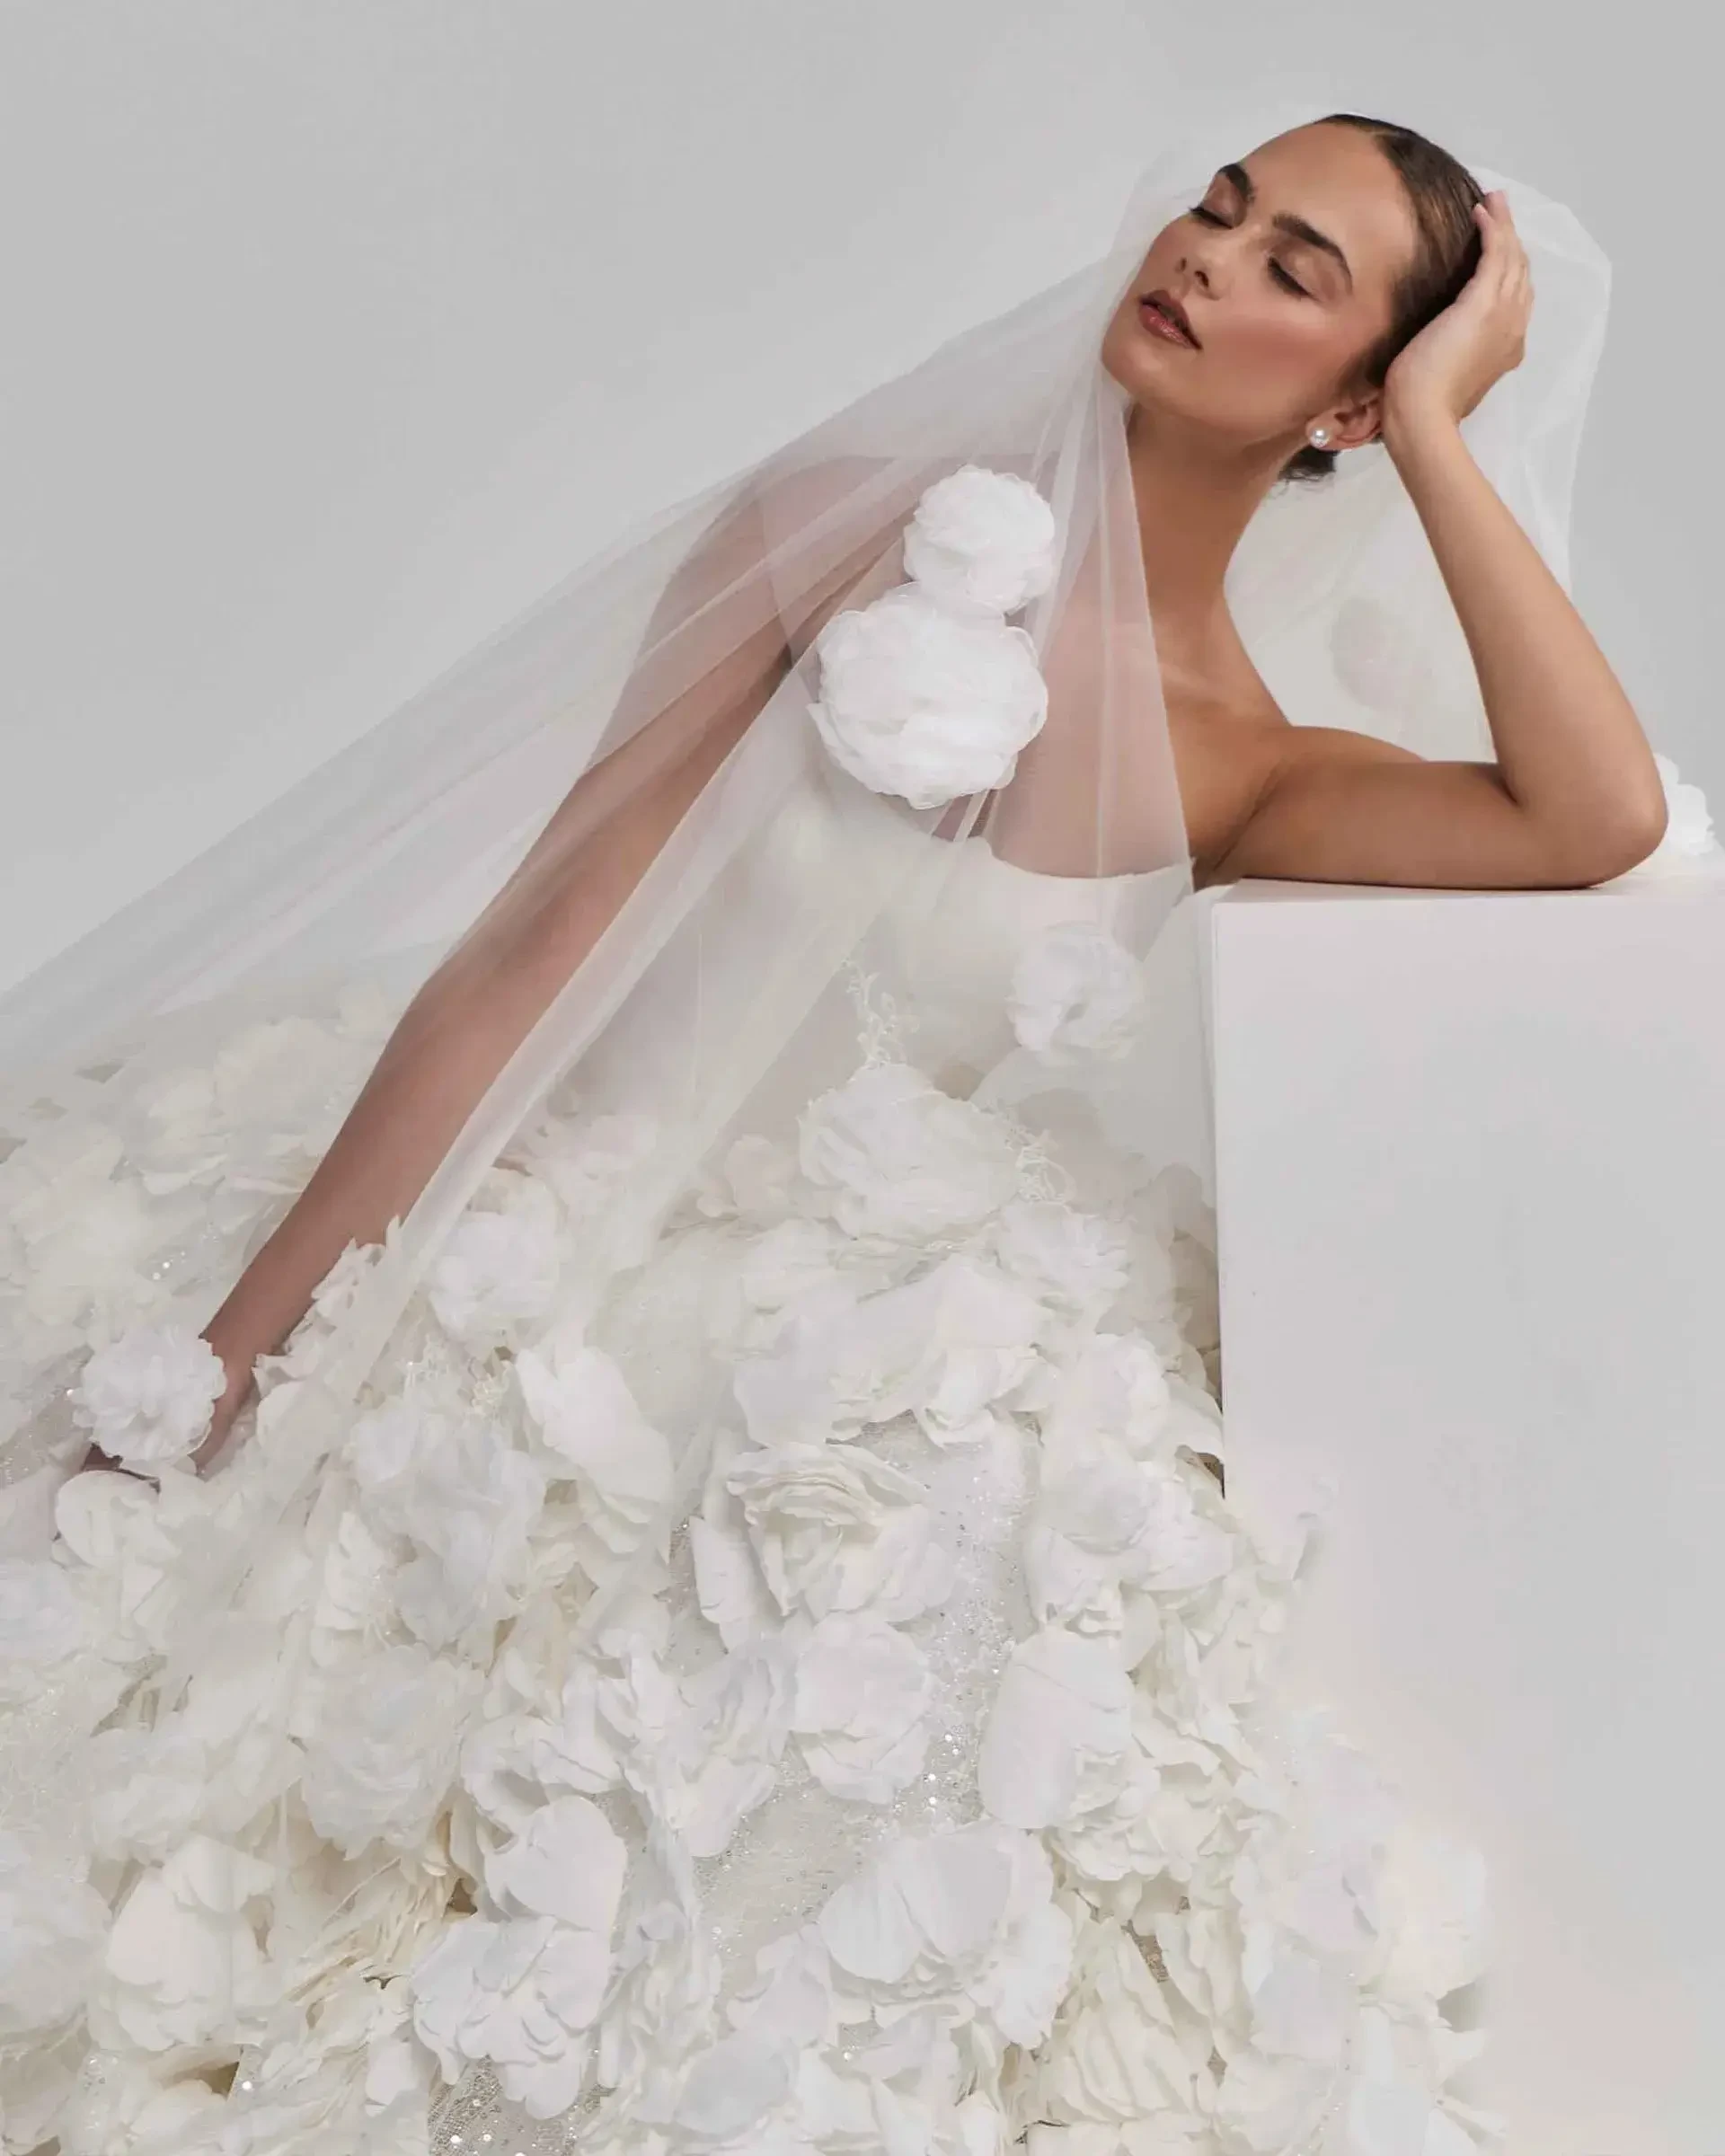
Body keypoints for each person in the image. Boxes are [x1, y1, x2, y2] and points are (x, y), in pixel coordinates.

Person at [0, 110, 1678, 2156]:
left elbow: (1589, 818)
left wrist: (1437, 423)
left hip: (785, 1352)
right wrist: (232, 1360)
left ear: (1343, 392)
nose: (1208, 257)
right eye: (1220, 206)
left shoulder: (1251, 759)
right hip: (532, 1224)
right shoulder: (840, 527)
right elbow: (534, 944)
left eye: (1296, 274)